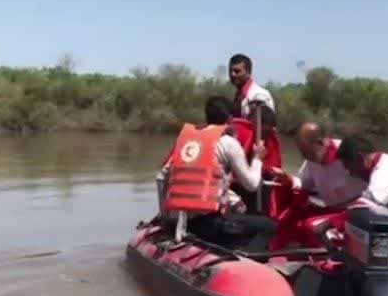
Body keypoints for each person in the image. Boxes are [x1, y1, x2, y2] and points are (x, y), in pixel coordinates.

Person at [156, 96, 276, 250]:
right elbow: (252, 185)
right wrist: (258, 158)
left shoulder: (186, 139)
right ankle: (245, 259)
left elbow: (163, 176)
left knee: (236, 213)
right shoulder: (228, 143)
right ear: (230, 119)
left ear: (207, 116)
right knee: (270, 226)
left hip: (177, 221)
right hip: (205, 225)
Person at [266, 122, 368, 250]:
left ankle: (327, 259)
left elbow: (372, 179)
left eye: (307, 153)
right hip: (330, 208)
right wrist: (287, 180)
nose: (305, 157)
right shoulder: (310, 161)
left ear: (321, 143)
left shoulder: (347, 153)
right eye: (302, 153)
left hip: (353, 212)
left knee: (311, 226)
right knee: (286, 221)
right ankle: (276, 251)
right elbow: (304, 189)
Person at [228, 53, 275, 120]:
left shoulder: (260, 95)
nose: (232, 74)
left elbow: (264, 126)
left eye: (237, 71)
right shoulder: (238, 96)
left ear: (248, 73)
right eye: (230, 71)